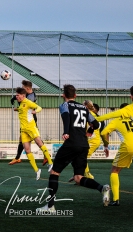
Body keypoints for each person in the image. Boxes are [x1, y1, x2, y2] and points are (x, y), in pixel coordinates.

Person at [37, 84, 110, 213]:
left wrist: (66, 132)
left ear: (63, 95)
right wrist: (89, 129)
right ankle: (101, 188)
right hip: (83, 145)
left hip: (72, 143)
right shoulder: (84, 108)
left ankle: (50, 207)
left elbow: (66, 117)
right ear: (75, 95)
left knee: (54, 172)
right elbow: (97, 124)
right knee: (78, 178)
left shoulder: (65, 105)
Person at [100, 103, 133, 206]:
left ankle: (116, 199)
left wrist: (106, 145)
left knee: (114, 171)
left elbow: (104, 133)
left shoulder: (117, 121)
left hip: (128, 147)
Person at [14, 87, 53, 180]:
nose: (16, 97)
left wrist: (36, 111)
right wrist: (18, 110)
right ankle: (37, 170)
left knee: (39, 143)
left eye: (17, 95)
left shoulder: (28, 102)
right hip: (24, 130)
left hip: (31, 127)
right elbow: (24, 111)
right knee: (27, 150)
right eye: (16, 95)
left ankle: (50, 163)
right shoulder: (21, 104)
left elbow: (39, 107)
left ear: (23, 95)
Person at [9, 80, 49, 166]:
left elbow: (26, 108)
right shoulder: (28, 95)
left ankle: (46, 155)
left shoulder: (30, 97)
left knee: (36, 139)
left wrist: (16, 102)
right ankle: (17, 157)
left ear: (27, 88)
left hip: (30, 121)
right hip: (26, 121)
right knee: (23, 139)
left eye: (23, 88)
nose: (22, 90)